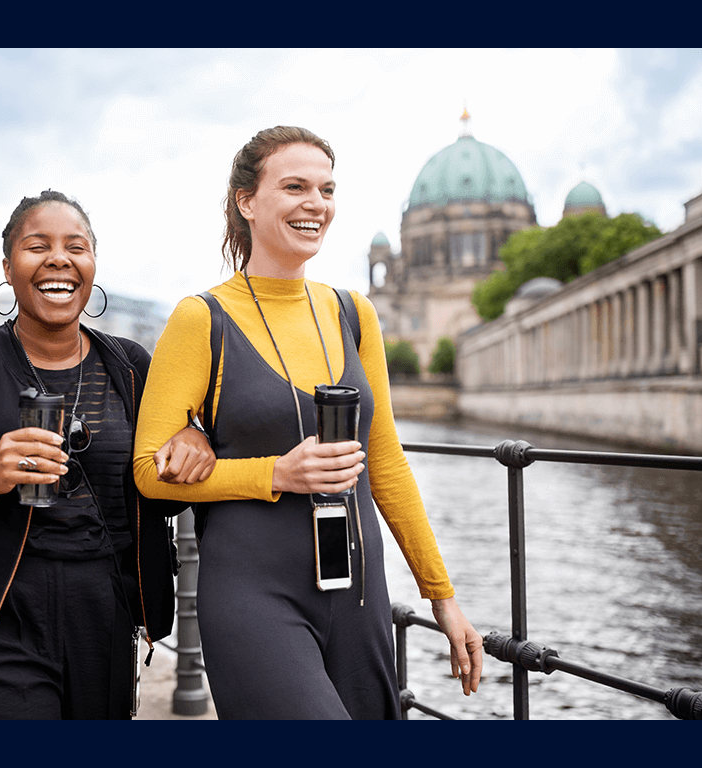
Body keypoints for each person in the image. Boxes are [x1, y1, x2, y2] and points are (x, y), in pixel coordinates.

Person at [132, 126, 483, 720]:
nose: (315, 204)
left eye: (326, 189)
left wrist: (440, 594)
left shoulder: (354, 313)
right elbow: (148, 473)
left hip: (360, 592)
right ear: (247, 200)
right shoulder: (202, 318)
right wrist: (277, 472)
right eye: (294, 186)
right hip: (252, 593)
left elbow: (387, 461)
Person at [0, 190, 215, 720]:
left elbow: (164, 487)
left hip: (103, 621)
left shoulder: (132, 369)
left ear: (92, 266)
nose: (59, 259)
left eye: (75, 247)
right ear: (9, 268)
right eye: (38, 246)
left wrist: (193, 439)